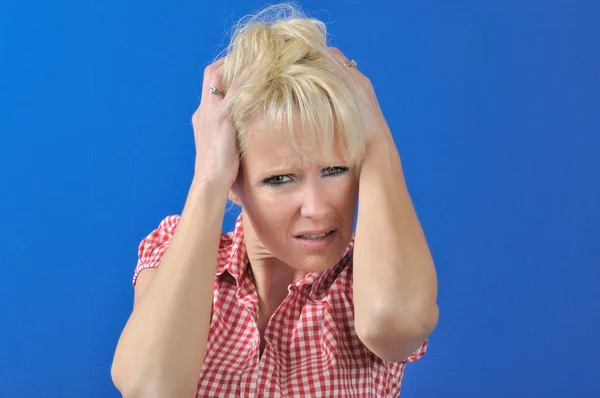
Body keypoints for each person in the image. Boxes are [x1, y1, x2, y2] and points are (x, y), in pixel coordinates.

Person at [111, 3, 439, 397]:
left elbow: (396, 324)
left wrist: (378, 140)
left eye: (335, 170)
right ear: (235, 178)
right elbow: (150, 388)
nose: (317, 208)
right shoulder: (177, 249)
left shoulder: (368, 275)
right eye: (280, 179)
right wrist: (208, 180)